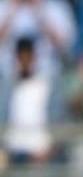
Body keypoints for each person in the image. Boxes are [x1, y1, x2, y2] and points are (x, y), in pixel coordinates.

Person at [0, 0, 76, 75]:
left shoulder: (58, 7)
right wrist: (13, 8)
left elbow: (64, 48)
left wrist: (38, 10)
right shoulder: (3, 6)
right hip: (6, 76)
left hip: (46, 75)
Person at [0, 36, 64, 164]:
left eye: (28, 56)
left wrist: (50, 150)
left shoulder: (47, 84)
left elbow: (59, 119)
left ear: (34, 57)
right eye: (21, 57)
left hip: (42, 152)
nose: (24, 61)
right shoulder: (6, 87)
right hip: (13, 153)